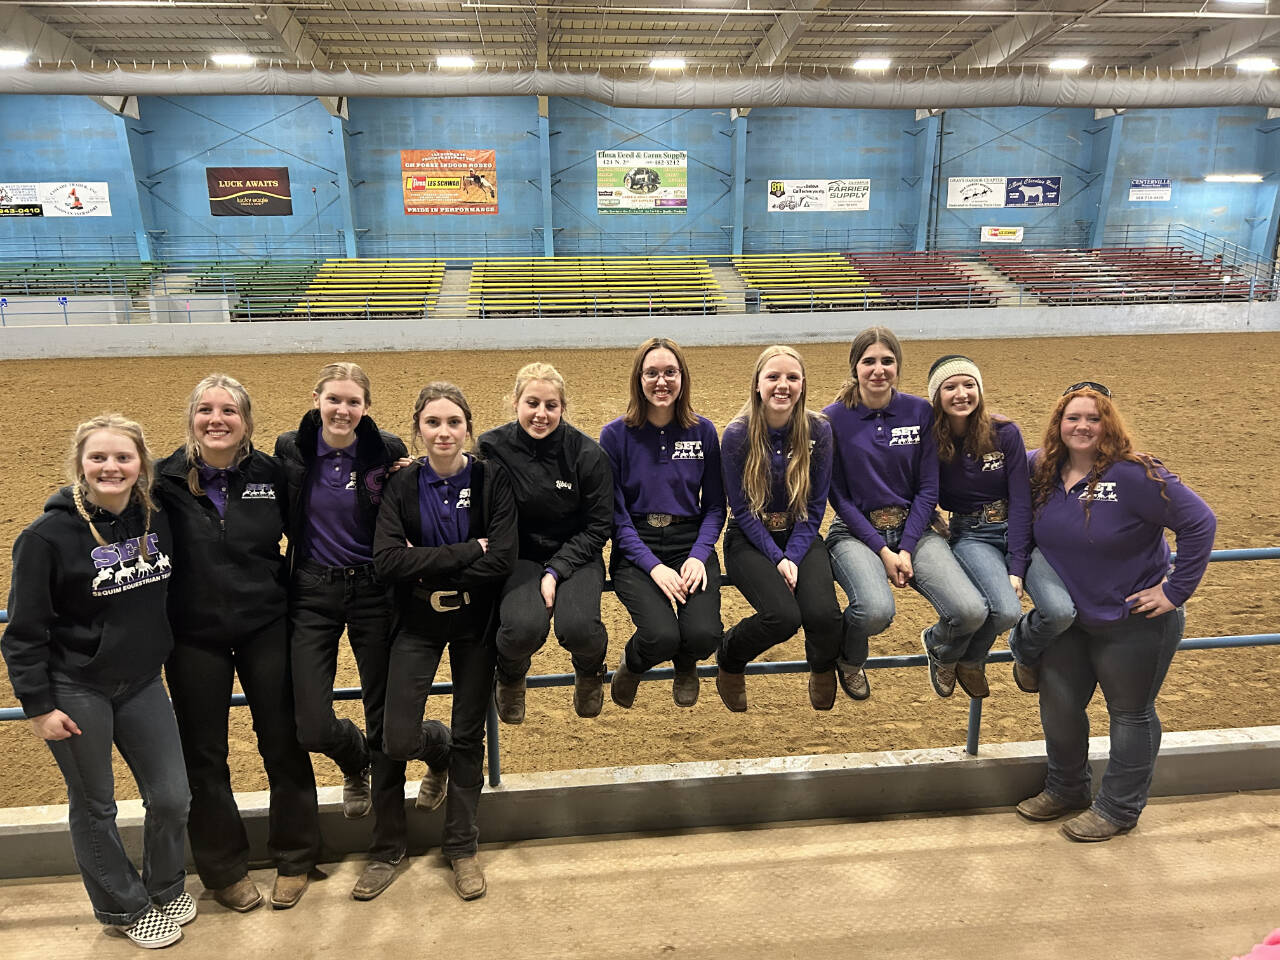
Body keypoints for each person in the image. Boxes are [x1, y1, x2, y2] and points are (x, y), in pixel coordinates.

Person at [2, 414, 193, 949]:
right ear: (80, 463)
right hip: (76, 688)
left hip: (142, 682)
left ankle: (165, 883)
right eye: (99, 457)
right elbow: (22, 631)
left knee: (172, 795)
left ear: (141, 466)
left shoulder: (157, 517)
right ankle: (123, 904)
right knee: (95, 804)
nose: (111, 467)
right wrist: (38, 706)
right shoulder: (44, 538)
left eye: (123, 457)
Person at [1015, 381, 1215, 842]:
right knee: (1059, 706)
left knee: (1130, 713)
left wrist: (1175, 589)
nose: (1083, 426)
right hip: (1069, 620)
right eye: (1073, 417)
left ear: (1109, 423)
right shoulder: (1041, 468)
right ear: (1058, 424)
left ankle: (1120, 807)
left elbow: (1200, 521)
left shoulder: (1136, 474)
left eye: (1094, 417)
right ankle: (1066, 788)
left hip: (1133, 621)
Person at [155, 374, 320, 913]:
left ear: (246, 421)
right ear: (192, 419)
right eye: (206, 409)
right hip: (193, 635)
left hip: (265, 624)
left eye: (229, 410)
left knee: (283, 739)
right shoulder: (163, 480)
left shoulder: (271, 475)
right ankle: (222, 869)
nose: (217, 419)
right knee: (203, 754)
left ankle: (296, 857)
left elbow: (310, 532)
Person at [373, 382, 517, 901]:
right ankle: (433, 752)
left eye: (453, 422)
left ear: (468, 429)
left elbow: (501, 559)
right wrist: (463, 553)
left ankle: (461, 848)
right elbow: (388, 561)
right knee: (396, 738)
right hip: (416, 622)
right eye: (433, 422)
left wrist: (425, 564)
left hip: (474, 624)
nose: (443, 432)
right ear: (418, 429)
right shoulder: (402, 485)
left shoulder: (489, 478)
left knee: (470, 735)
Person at [275, 361, 409, 901]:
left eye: (353, 402)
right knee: (308, 723)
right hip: (310, 592)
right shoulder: (291, 448)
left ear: (366, 408)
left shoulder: (384, 448)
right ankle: (351, 757)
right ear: (316, 399)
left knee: (385, 715)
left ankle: (388, 848)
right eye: (334, 399)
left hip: (375, 590)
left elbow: (406, 496)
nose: (342, 410)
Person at [823, 327, 988, 700]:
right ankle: (849, 660)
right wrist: (883, 551)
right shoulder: (832, 419)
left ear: (898, 366)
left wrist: (907, 547)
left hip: (915, 528)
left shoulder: (919, 412)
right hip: (855, 532)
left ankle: (939, 647)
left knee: (970, 611)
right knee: (875, 612)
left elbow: (928, 488)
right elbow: (839, 498)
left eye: (888, 361)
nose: (878, 369)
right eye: (869, 361)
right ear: (855, 367)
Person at [478, 362, 613, 722]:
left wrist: (556, 569)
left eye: (551, 406)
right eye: (532, 403)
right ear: (515, 403)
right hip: (517, 553)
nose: (541, 414)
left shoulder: (587, 455)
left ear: (562, 408)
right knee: (521, 628)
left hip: (577, 552)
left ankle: (589, 672)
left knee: (580, 628)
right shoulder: (491, 447)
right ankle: (509, 676)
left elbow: (599, 525)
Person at [715, 345, 843, 712]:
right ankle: (730, 657)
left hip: (800, 533)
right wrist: (778, 558)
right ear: (757, 385)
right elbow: (739, 507)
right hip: (749, 537)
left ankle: (822, 669)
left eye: (792, 377)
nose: (782, 385)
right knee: (782, 617)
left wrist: (793, 554)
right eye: (773, 377)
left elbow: (817, 504)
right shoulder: (737, 435)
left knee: (824, 615)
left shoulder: (819, 429)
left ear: (803, 384)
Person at [599, 336, 726, 708]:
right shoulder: (615, 435)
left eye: (670, 372)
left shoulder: (703, 432)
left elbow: (716, 506)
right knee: (659, 635)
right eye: (651, 372)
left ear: (682, 377)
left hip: (690, 543)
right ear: (638, 379)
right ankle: (632, 664)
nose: (661, 381)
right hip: (636, 546)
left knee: (704, 634)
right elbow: (616, 517)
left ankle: (686, 665)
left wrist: (699, 555)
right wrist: (654, 568)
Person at [926, 354, 1032, 699]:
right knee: (1005, 610)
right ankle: (942, 647)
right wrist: (932, 517)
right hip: (971, 532)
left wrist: (1017, 564)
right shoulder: (930, 442)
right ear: (936, 395)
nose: (961, 393)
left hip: (1010, 526)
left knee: (1006, 607)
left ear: (980, 390)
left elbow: (1021, 499)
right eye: (950, 386)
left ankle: (969, 659)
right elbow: (915, 487)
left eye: (969, 384)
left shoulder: (1005, 433)